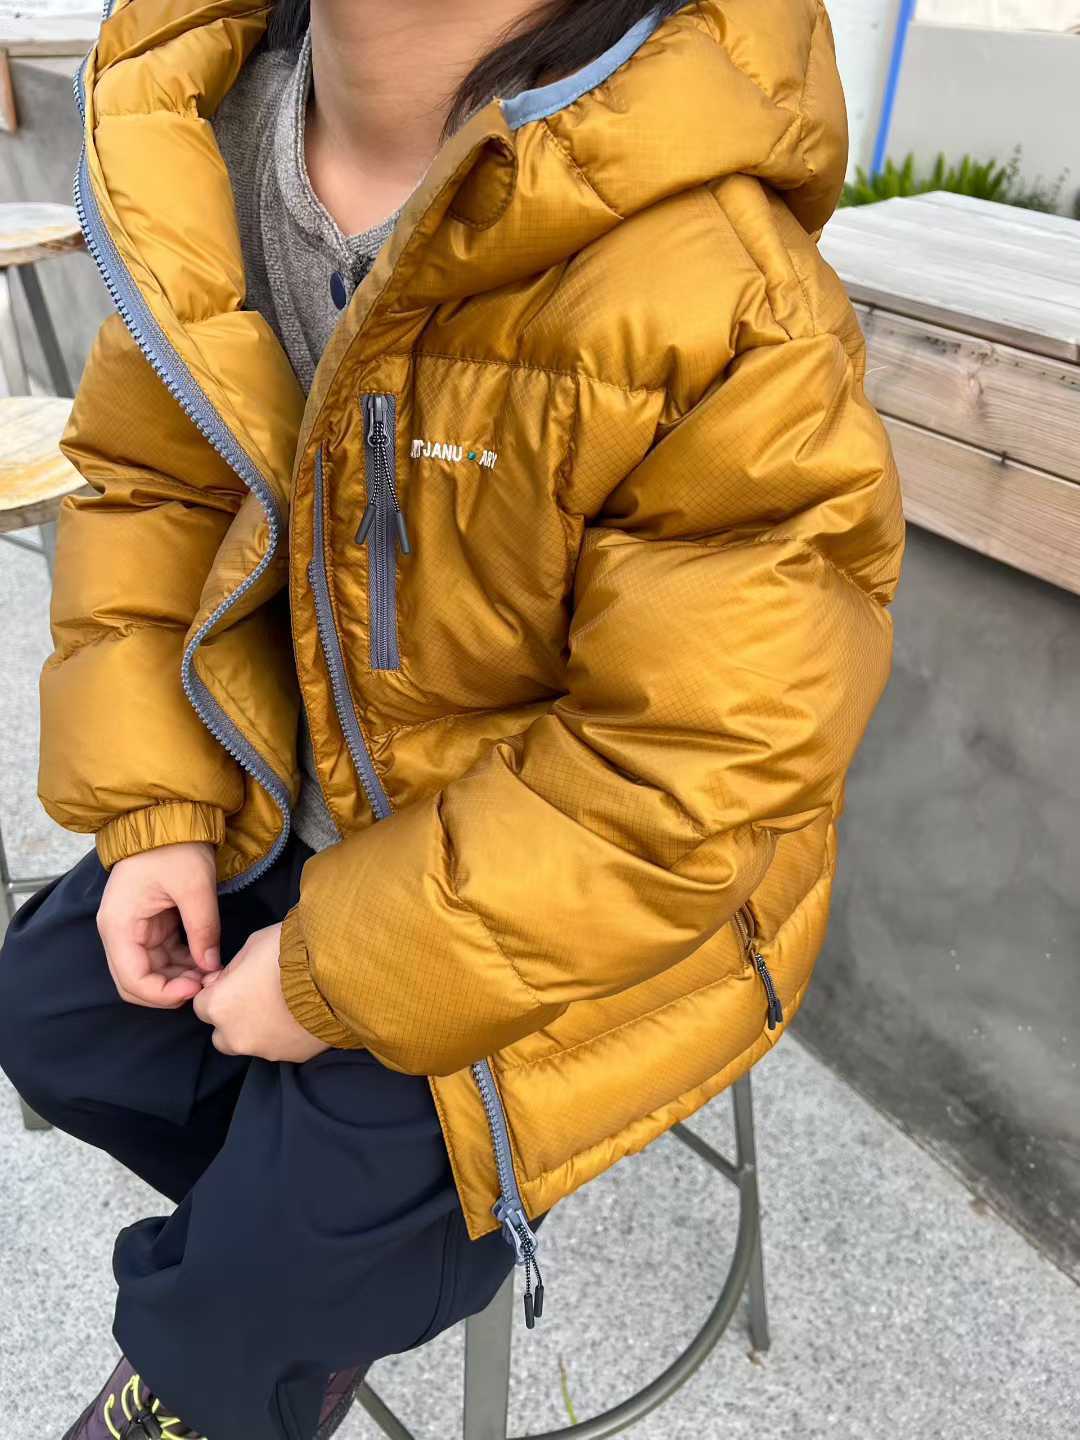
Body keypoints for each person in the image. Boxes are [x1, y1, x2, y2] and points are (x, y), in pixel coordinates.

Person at [0, 0, 905, 1435]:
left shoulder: (717, 287)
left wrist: (331, 980)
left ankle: (248, 1328)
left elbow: (690, 775)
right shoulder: (206, 149)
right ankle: (320, 1269)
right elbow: (157, 491)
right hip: (309, 795)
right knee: (56, 1012)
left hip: (590, 907)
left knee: (261, 1272)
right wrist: (160, 808)